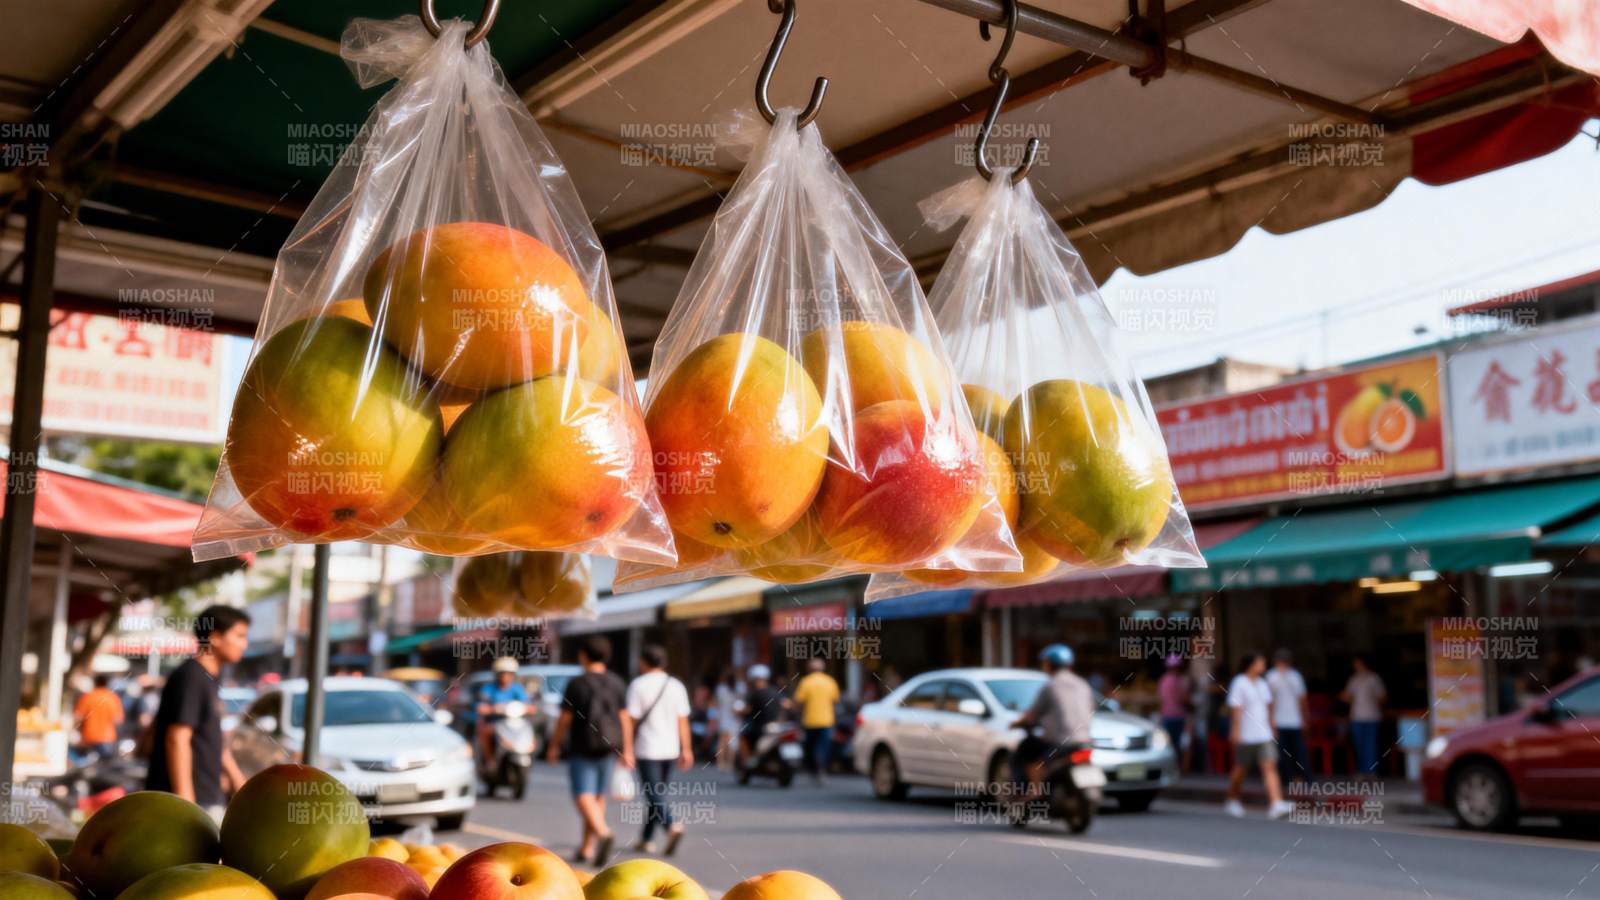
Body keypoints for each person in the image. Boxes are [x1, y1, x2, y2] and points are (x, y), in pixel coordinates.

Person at [146, 605, 251, 818]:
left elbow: (213, 739)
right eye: (239, 636)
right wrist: (186, 802)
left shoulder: (209, 679)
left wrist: (238, 781)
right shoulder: (191, 677)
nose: (244, 644)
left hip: (207, 796)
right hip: (189, 800)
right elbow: (177, 738)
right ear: (214, 637)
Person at [548, 636, 625, 867]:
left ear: (584, 655)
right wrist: (628, 749)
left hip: (583, 745)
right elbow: (625, 718)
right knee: (598, 796)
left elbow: (564, 718)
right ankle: (587, 847)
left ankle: (602, 833)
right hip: (608, 745)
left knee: (582, 794)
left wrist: (554, 745)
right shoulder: (617, 682)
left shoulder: (577, 683)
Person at [620, 645, 692, 855]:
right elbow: (683, 721)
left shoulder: (638, 685)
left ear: (643, 662)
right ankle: (646, 838)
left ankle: (671, 826)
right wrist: (686, 748)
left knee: (654, 794)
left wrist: (626, 748)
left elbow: (630, 720)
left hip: (647, 747)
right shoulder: (676, 686)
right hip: (670, 748)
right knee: (656, 794)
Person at [1010, 644, 1094, 790]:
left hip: (1059, 745)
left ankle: (1034, 790)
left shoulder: (1050, 686)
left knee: (1025, 748)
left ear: (1048, 664)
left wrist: (1018, 723)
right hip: (1085, 741)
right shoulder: (1082, 684)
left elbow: (1032, 716)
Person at [1225, 652, 1294, 819]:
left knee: (1270, 766)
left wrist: (1272, 726)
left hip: (1263, 733)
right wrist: (1235, 731)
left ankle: (1276, 803)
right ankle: (1231, 799)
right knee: (1240, 769)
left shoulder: (1262, 683)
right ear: (1251, 664)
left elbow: (1268, 706)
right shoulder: (1239, 682)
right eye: (1260, 662)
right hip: (1246, 734)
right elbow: (1236, 709)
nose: (1263, 665)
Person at [792, 659, 840, 784]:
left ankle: (814, 770)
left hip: (810, 720)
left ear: (809, 669)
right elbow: (836, 700)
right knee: (824, 747)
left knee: (811, 747)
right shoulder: (830, 681)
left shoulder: (806, 682)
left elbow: (798, 701)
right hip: (827, 720)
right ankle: (822, 769)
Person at [1266, 649, 1310, 784]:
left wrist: (1270, 720)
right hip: (1289, 721)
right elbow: (1302, 700)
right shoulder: (1292, 676)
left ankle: (1291, 778)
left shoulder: (1273, 676)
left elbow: (1269, 702)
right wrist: (1305, 718)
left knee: (1287, 752)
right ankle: (1299, 778)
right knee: (1296, 751)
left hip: (1284, 721)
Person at [476, 658, 532, 766]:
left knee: (530, 731)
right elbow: (481, 707)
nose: (505, 677)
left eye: (509, 674)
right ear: (497, 675)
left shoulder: (517, 688)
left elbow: (529, 705)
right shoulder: (489, 689)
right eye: (502, 674)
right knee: (486, 733)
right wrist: (494, 709)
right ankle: (490, 761)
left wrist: (525, 708)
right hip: (495, 723)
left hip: (514, 723)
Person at [1342, 655, 1386, 778]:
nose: (1356, 666)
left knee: (1370, 745)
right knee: (1359, 745)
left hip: (1372, 716)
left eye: (1358, 663)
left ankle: (1371, 772)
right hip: (1357, 717)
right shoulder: (1354, 679)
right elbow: (1347, 696)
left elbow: (1382, 696)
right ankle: (1362, 771)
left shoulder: (1373, 678)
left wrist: (1375, 701)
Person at [737, 664, 787, 768]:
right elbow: (787, 705)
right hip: (777, 727)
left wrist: (738, 711)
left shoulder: (755, 693)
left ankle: (748, 762)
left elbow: (747, 710)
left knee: (743, 735)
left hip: (761, 728)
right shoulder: (775, 691)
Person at [74, 674, 124, 762]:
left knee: (87, 766)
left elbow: (78, 717)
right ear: (107, 683)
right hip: (107, 737)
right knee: (105, 767)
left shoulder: (88, 697)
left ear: (95, 683)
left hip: (88, 736)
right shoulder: (112, 698)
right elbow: (118, 720)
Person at [1156, 655, 1190, 758]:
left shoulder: (1163, 680)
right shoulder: (1181, 681)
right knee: (1178, 744)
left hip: (1167, 715)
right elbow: (1184, 698)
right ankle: (1178, 767)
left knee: (1168, 744)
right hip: (1179, 715)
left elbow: (1160, 699)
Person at [713, 668, 742, 771]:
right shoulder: (739, 688)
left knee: (722, 742)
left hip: (723, 716)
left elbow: (716, 703)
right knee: (732, 742)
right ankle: (730, 763)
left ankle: (720, 763)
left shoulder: (721, 689)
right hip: (734, 718)